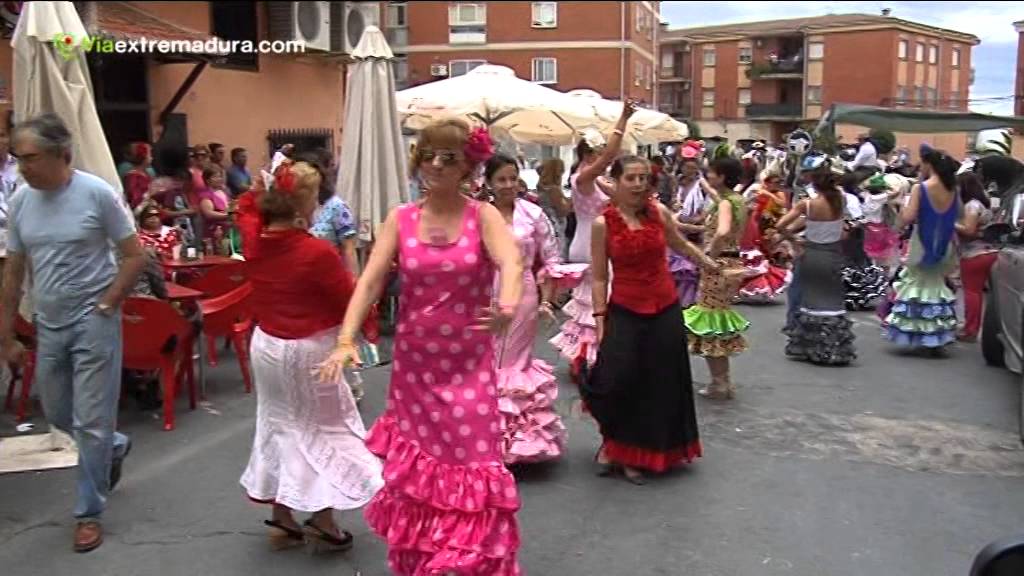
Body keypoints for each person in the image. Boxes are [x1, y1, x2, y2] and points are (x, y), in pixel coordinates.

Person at [317, 120, 525, 575]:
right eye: (428, 154)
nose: (433, 164)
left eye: (448, 157)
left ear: (468, 167)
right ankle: (426, 561)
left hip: (468, 369)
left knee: (472, 464)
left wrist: (507, 304)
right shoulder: (402, 218)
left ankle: (466, 563)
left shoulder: (482, 216)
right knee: (423, 477)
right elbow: (370, 279)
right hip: (415, 374)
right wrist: (345, 338)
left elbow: (511, 259)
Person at [0, 113, 145, 552]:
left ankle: (88, 512)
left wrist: (107, 304)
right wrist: (6, 335)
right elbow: (15, 271)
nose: (23, 167)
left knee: (91, 422)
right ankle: (114, 446)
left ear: (62, 155)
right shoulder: (22, 201)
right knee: (61, 414)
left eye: (31, 158)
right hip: (49, 321)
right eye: (17, 158)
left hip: (93, 320)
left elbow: (134, 256)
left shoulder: (97, 194)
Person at [236, 160, 383, 553]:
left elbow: (246, 209)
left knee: (280, 427)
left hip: (266, 345)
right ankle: (322, 518)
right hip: (308, 349)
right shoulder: (316, 252)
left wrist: (257, 191)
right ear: (304, 205)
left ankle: (283, 519)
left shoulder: (252, 237)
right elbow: (347, 301)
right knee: (322, 430)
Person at [585, 155, 715, 484]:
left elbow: (681, 244)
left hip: (665, 307)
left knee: (660, 382)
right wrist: (600, 320)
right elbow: (599, 278)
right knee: (617, 379)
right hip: (625, 309)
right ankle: (617, 445)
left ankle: (641, 453)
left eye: (644, 178)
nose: (639, 184)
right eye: (631, 178)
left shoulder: (659, 213)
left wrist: (710, 265)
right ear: (615, 183)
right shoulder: (604, 224)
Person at [486, 154, 571, 465]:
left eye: (512, 178)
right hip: (484, 293)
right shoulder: (479, 215)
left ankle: (514, 442)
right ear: (489, 183)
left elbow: (551, 261)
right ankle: (485, 436)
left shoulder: (533, 213)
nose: (508, 185)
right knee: (485, 362)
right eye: (501, 179)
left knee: (511, 363)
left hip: (522, 295)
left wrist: (548, 300)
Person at [551, 101, 636, 379]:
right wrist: (622, 119)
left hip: (598, 240)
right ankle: (591, 358)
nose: (605, 157)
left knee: (598, 302)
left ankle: (592, 356)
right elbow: (613, 153)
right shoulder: (583, 177)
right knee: (597, 302)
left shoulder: (595, 179)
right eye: (599, 152)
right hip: (590, 242)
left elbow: (618, 198)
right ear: (590, 151)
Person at [775, 154, 857, 366]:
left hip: (811, 253)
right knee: (832, 298)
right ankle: (834, 346)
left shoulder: (807, 205)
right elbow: (847, 226)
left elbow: (780, 226)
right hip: (834, 254)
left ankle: (810, 346)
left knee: (810, 299)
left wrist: (794, 241)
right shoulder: (841, 200)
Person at [683, 157, 751, 400]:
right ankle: (722, 380)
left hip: (719, 264)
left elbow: (722, 231)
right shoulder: (737, 200)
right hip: (732, 262)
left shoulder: (724, 204)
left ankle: (720, 382)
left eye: (711, 173)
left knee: (711, 324)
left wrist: (708, 256)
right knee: (717, 321)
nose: (708, 175)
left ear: (722, 176)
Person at [883, 145, 960, 353]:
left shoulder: (922, 188)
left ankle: (918, 334)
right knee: (935, 288)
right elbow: (956, 215)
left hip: (922, 242)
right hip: (944, 243)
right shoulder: (953, 189)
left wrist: (898, 208)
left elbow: (908, 217)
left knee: (917, 288)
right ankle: (936, 334)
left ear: (928, 164)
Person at [954, 171, 996, 343]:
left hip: (974, 254)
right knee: (982, 294)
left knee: (972, 293)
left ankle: (970, 330)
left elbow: (969, 230)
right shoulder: (983, 204)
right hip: (990, 252)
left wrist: (951, 222)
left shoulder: (971, 205)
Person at [536, 157, 570, 258]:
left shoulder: (542, 187)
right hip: (556, 225)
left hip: (546, 222)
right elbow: (563, 211)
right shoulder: (554, 190)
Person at [197, 165, 231, 243]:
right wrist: (228, 216)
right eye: (215, 177)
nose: (219, 179)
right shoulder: (206, 195)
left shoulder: (223, 192)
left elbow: (229, 206)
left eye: (220, 176)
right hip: (214, 231)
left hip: (226, 229)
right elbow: (208, 213)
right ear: (207, 180)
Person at [123, 142, 153, 209]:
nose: (152, 158)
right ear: (143, 157)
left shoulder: (145, 173)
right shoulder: (133, 177)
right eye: (150, 155)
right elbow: (135, 200)